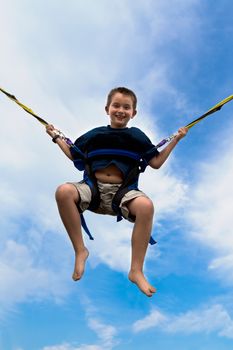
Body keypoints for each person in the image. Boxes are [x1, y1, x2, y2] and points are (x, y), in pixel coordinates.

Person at [46, 87, 188, 297]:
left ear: (134, 113)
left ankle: (136, 270)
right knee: (63, 191)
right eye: (116, 106)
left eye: (126, 107)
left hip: (123, 194)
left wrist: (175, 139)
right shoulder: (95, 135)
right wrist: (56, 137)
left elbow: (156, 162)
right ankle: (80, 250)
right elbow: (74, 154)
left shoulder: (137, 137)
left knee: (146, 206)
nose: (121, 110)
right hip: (92, 191)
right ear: (107, 109)